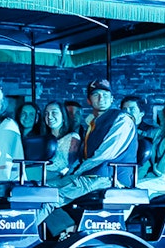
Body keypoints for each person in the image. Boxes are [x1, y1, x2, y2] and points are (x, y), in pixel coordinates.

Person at [39, 78, 138, 236]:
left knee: (49, 198)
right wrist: (74, 173)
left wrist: (77, 172)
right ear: (89, 100)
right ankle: (62, 232)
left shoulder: (122, 119)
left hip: (110, 178)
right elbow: (83, 157)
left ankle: (22, 237)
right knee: (39, 189)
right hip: (92, 176)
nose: (101, 98)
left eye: (105, 95)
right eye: (96, 95)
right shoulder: (93, 123)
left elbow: (105, 154)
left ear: (112, 99)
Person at [40, 99, 81, 177]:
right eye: (46, 114)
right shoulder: (43, 140)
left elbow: (70, 165)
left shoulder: (72, 137)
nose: (49, 117)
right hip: (41, 174)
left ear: (63, 116)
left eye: (54, 113)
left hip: (61, 178)